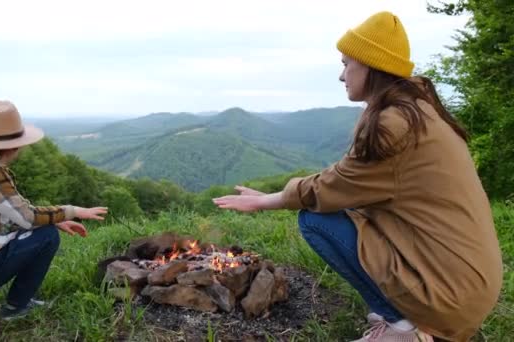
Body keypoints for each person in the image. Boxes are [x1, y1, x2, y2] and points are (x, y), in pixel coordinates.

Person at [213, 11, 502, 342]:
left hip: (451, 295)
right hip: (469, 283)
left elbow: (329, 188)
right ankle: (409, 319)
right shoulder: (419, 112)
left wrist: (266, 201)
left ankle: (405, 329)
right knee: (353, 208)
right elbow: (344, 181)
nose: (341, 75)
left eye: (346, 63)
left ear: (370, 65)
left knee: (316, 221)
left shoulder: (393, 126)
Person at [0, 100, 108, 321]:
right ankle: (15, 307)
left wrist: (55, 220)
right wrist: (72, 211)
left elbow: (9, 215)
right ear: (14, 145)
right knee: (46, 236)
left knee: (45, 229)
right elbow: (27, 217)